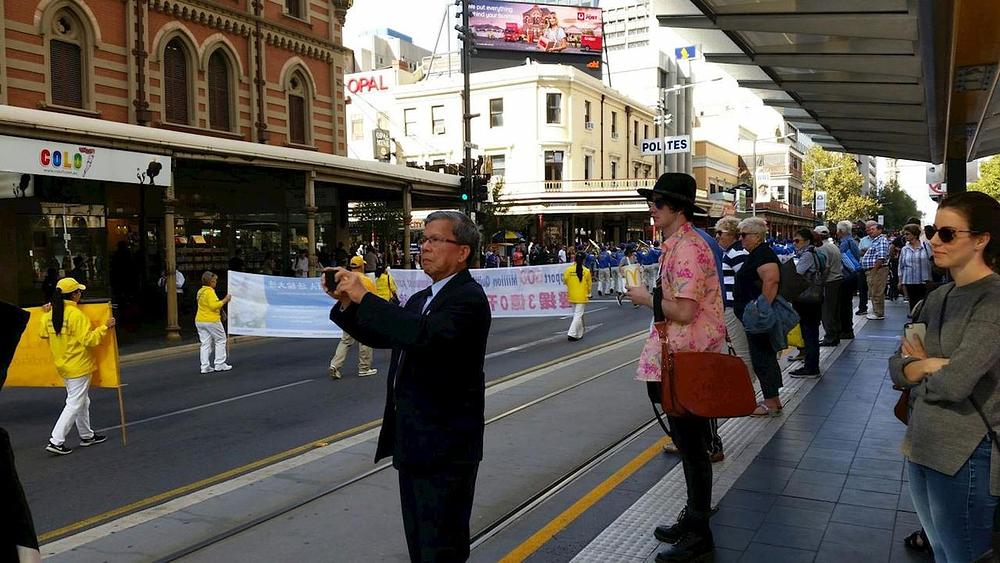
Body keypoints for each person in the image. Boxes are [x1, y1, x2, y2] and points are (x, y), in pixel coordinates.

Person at [326, 210, 490, 563]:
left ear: (462, 252)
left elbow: (423, 335)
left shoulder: (468, 299)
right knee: (419, 542)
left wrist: (365, 296)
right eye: (423, 240)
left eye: (435, 240)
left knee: (441, 546)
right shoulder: (422, 299)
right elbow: (389, 332)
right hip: (414, 440)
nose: (424, 247)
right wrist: (347, 303)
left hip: (446, 447)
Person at [889, 191, 1000, 563]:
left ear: (981, 239)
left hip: (967, 453)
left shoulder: (993, 300)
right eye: (934, 230)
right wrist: (928, 365)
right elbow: (896, 364)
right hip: (920, 443)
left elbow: (957, 383)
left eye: (947, 234)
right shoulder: (938, 297)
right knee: (940, 552)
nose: (934, 240)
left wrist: (920, 367)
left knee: (962, 556)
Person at [626, 174, 725, 563]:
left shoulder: (687, 249)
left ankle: (699, 532)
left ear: (677, 208)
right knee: (689, 447)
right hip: (679, 358)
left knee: (694, 449)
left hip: (687, 361)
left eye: (658, 202)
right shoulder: (678, 246)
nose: (652, 207)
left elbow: (684, 311)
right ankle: (693, 518)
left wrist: (643, 298)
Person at [40, 278, 115, 455]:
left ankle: (86, 435)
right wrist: (105, 327)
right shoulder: (76, 315)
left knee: (82, 400)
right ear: (74, 294)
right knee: (74, 402)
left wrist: (45, 313)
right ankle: (56, 440)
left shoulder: (50, 315)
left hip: (63, 365)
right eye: (78, 291)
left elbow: (43, 334)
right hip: (78, 365)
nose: (80, 294)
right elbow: (89, 340)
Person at [734, 217, 784, 416]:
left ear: (756, 236)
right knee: (763, 357)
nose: (741, 239)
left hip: (758, 319)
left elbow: (771, 281)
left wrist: (760, 310)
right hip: (754, 316)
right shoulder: (758, 253)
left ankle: (771, 402)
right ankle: (773, 399)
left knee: (763, 358)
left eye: (744, 235)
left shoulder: (763, 254)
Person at [328, 256, 378, 379]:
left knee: (345, 340)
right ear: (362, 266)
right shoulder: (366, 281)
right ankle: (364, 367)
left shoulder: (345, 280)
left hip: (348, 313)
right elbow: (373, 299)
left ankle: (335, 365)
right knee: (365, 340)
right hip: (362, 314)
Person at [789, 229, 824, 378]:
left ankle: (811, 367)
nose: (794, 243)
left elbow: (797, 274)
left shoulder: (807, 255)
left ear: (807, 241)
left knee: (809, 333)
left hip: (807, 300)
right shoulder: (816, 253)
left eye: (797, 241)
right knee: (811, 333)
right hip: (815, 298)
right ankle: (811, 364)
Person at [195, 271, 232, 374]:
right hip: (211, 320)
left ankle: (204, 366)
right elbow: (213, 306)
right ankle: (219, 363)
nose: (216, 282)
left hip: (200, 320)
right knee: (220, 340)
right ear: (210, 281)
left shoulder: (200, 291)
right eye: (214, 281)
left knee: (205, 343)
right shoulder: (210, 292)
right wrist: (225, 300)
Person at [813, 225, 843, 346]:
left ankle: (830, 337)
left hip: (830, 282)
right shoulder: (833, 246)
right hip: (837, 280)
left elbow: (825, 268)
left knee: (827, 311)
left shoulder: (822, 249)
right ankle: (835, 335)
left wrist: (820, 283)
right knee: (834, 310)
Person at [898, 223, 934, 314]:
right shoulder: (905, 249)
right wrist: (900, 281)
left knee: (923, 305)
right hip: (909, 281)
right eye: (905, 234)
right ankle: (914, 325)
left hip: (924, 281)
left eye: (907, 234)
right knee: (913, 305)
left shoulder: (926, 246)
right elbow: (901, 266)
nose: (905, 236)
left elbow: (932, 260)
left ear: (914, 234)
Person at [861, 221, 891, 320]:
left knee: (877, 291)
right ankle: (876, 311)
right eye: (870, 230)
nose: (870, 231)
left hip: (878, 270)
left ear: (879, 230)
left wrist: (873, 271)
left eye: (873, 229)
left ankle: (878, 313)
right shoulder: (876, 240)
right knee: (874, 291)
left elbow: (881, 258)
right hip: (874, 270)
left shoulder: (881, 240)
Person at [836, 221, 860, 339]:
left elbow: (842, 259)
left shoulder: (845, 243)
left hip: (846, 276)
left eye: (838, 230)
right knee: (847, 303)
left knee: (844, 304)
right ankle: (847, 329)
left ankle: (846, 330)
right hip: (852, 275)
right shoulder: (852, 241)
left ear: (841, 231)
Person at [564, 253, 592, 341]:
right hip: (582, 296)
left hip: (572, 295)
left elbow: (564, 280)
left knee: (577, 315)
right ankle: (572, 333)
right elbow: (589, 285)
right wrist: (589, 293)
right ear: (584, 260)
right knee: (578, 315)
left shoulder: (569, 269)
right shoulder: (586, 271)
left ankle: (578, 334)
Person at [857, 223, 874, 315]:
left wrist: (866, 251)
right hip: (863, 267)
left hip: (874, 268)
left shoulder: (880, 240)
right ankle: (862, 308)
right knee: (862, 288)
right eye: (867, 229)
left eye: (870, 229)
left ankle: (876, 309)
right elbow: (859, 252)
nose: (868, 231)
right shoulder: (863, 240)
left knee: (874, 290)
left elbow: (879, 253)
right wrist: (870, 251)